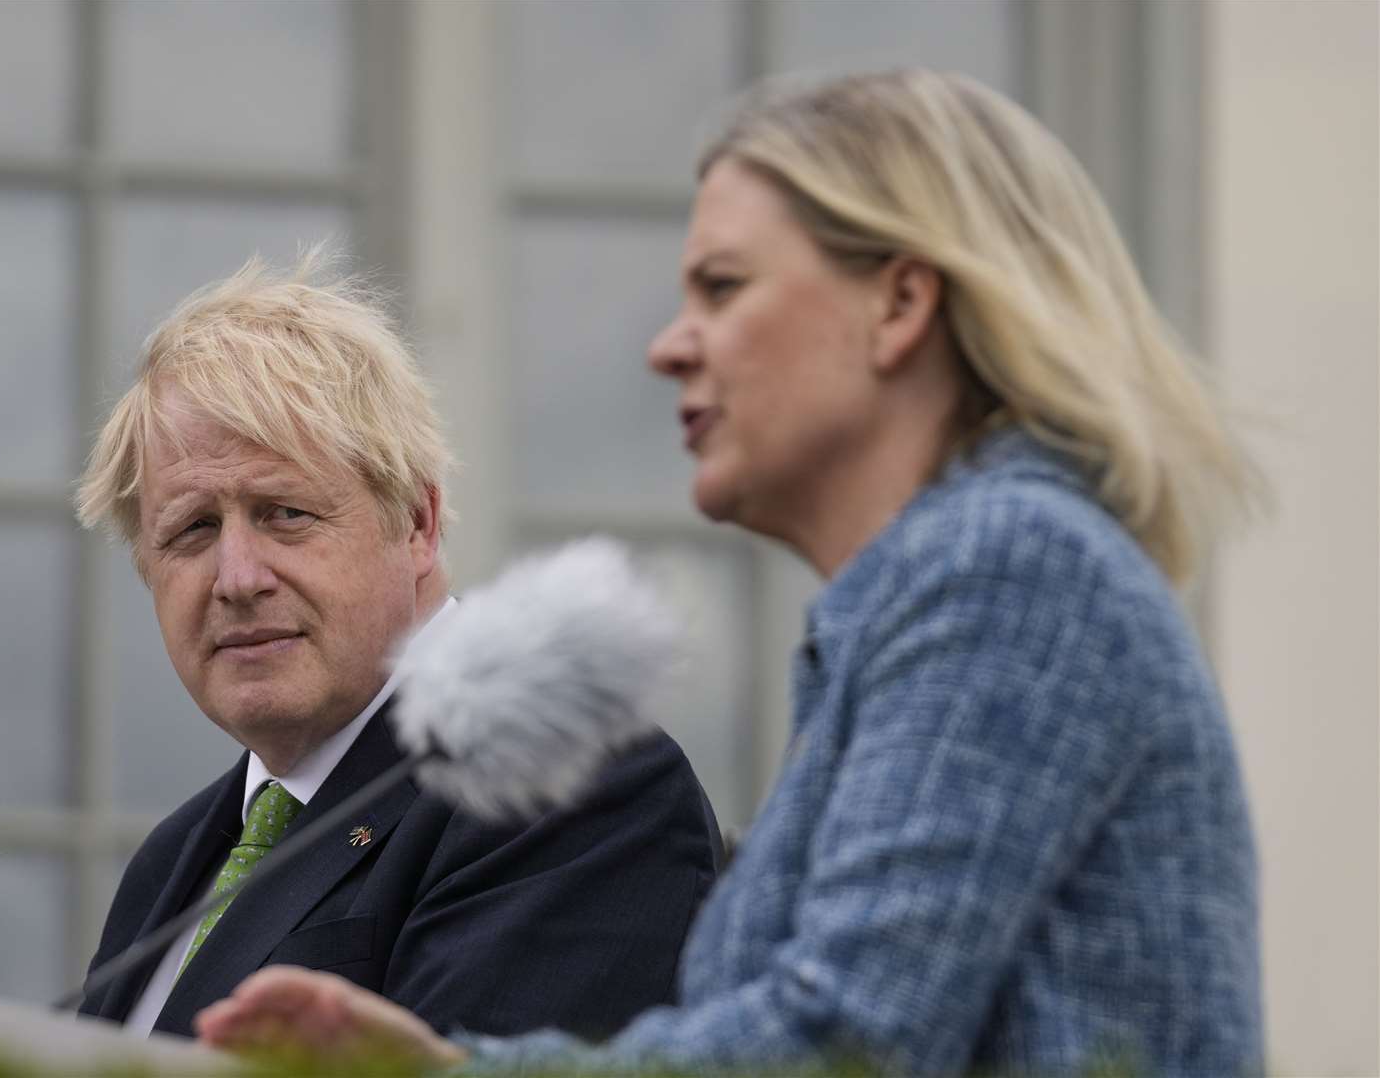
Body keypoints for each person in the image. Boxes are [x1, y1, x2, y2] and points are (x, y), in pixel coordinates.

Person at [193, 70, 1266, 1077]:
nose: (671, 345)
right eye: (189, 530)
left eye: (722, 287)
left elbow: (841, 1041)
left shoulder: (1004, 569)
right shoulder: (942, 591)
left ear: (899, 306)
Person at [70, 256, 721, 1041]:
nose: (236, 578)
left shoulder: (562, 783)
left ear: (415, 523)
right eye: (193, 530)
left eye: (285, 513)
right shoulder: (169, 863)